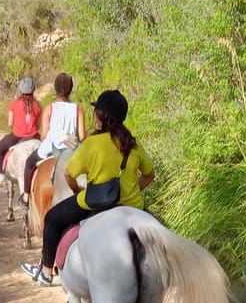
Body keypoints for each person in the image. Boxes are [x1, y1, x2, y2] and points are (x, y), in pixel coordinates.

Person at [21, 89, 155, 286]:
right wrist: (132, 191)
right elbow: (149, 175)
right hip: (133, 205)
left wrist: (77, 191)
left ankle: (47, 272)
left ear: (100, 117)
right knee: (161, 231)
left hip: (96, 202)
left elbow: (69, 174)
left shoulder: (91, 144)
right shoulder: (132, 143)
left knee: (52, 218)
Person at [19, 73, 85, 208]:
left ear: (55, 88)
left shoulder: (50, 108)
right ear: (71, 89)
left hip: (50, 148)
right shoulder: (77, 109)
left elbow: (43, 135)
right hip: (70, 151)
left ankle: (26, 197)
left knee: (29, 163)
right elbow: (82, 136)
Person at [0, 78, 42, 186]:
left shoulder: (14, 104)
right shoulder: (37, 105)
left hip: (17, 136)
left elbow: (10, 124)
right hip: (34, 137)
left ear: (20, 90)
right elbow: (38, 126)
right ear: (33, 90)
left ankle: (1, 174)